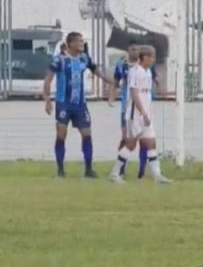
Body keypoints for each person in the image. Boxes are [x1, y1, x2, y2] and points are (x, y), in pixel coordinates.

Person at [43, 32, 113, 178]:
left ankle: (88, 170)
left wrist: (112, 82)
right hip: (63, 104)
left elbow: (97, 72)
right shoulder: (59, 60)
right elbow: (48, 80)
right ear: (71, 44)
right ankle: (60, 170)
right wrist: (48, 100)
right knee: (61, 135)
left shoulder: (84, 58)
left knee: (87, 134)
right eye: (80, 41)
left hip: (80, 104)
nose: (82, 44)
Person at [109, 46, 171, 184]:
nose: (154, 60)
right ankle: (115, 173)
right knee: (130, 144)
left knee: (151, 143)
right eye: (152, 57)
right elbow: (134, 93)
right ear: (145, 57)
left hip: (146, 113)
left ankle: (157, 175)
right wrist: (143, 112)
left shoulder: (147, 71)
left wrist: (148, 112)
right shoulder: (134, 71)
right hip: (135, 114)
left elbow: (145, 94)